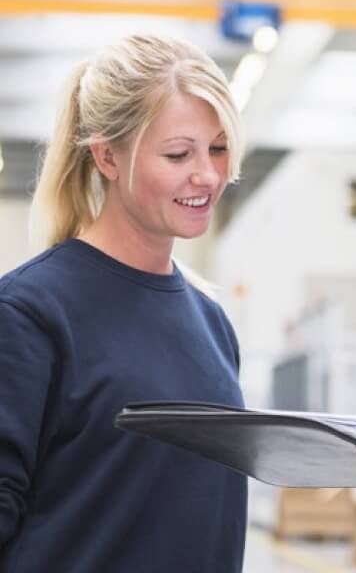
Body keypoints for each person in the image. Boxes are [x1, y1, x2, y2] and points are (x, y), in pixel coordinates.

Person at [0, 34, 247, 572]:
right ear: (107, 156)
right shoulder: (29, 313)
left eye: (220, 147)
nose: (207, 174)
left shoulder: (211, 324)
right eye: (179, 153)